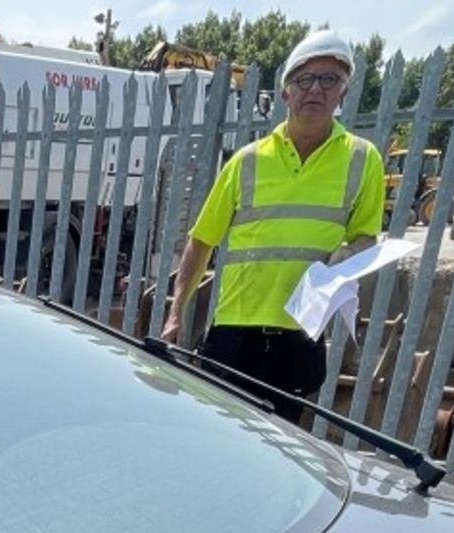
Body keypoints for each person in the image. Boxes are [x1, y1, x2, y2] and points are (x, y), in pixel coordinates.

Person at [161, 31, 385, 419]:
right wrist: (177, 313)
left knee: (284, 448)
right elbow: (201, 241)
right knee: (216, 437)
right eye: (304, 80)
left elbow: (364, 238)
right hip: (235, 330)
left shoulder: (362, 161)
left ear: (343, 92)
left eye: (328, 79)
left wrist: (345, 260)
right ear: (286, 93)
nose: (315, 89)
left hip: (299, 335)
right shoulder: (247, 161)